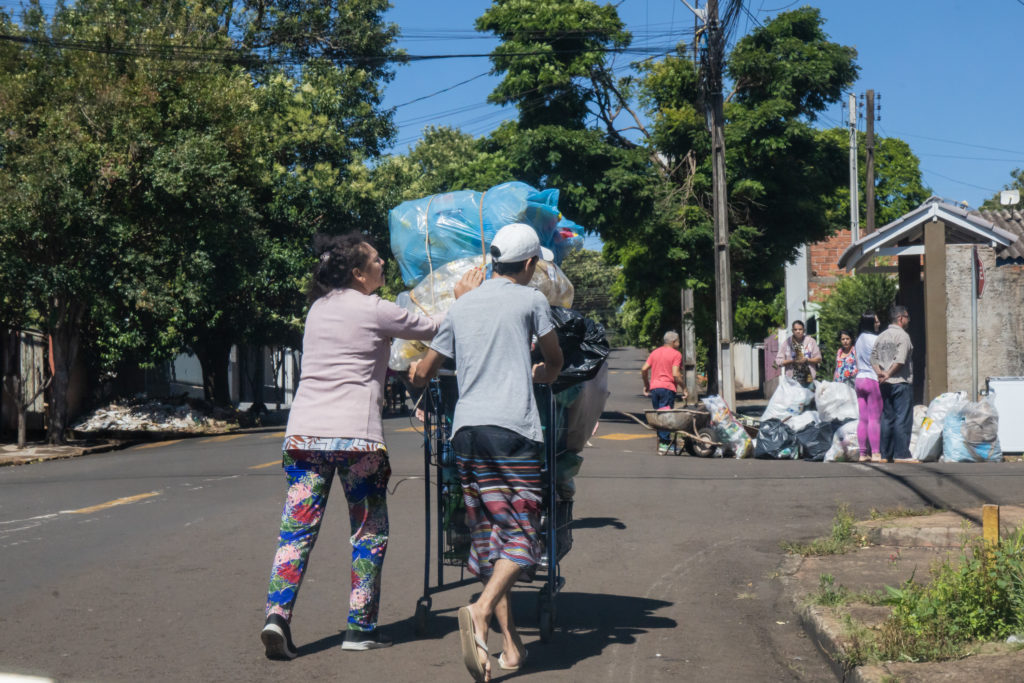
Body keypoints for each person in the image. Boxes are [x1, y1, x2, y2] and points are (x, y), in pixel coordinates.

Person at [260, 232, 482, 660]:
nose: (384, 265)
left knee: (297, 531)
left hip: (304, 437)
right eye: (377, 260)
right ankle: (359, 628)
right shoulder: (376, 309)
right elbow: (437, 329)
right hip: (356, 439)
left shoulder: (316, 310)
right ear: (359, 273)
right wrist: (461, 297)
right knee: (368, 532)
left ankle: (277, 616)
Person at [409, 223, 563, 682]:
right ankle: (478, 613)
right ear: (532, 265)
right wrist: (537, 371)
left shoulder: (461, 306)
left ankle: (511, 648)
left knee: (489, 538)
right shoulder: (533, 300)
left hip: (466, 434)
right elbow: (553, 361)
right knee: (522, 538)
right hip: (511, 430)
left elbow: (423, 372)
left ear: (493, 262)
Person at [871, 305, 914, 463]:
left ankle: (885, 454)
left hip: (884, 383)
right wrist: (888, 374)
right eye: (907, 317)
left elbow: (873, 358)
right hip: (900, 382)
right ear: (900, 318)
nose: (908, 320)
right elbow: (900, 360)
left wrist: (880, 373)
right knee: (902, 418)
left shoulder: (881, 336)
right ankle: (901, 454)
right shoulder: (903, 336)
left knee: (887, 417)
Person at [641, 331, 687, 454]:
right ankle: (665, 444)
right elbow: (676, 374)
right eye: (678, 340)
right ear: (673, 342)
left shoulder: (655, 353)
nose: (679, 343)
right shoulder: (676, 354)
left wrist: (647, 385)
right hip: (667, 388)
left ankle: (663, 443)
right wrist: (684, 388)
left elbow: (644, 369)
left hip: (655, 389)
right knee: (665, 417)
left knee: (659, 417)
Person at [854, 312, 882, 463]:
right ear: (870, 323)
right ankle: (876, 452)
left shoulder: (858, 340)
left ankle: (863, 453)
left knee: (863, 418)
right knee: (874, 418)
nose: (878, 323)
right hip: (872, 379)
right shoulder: (876, 339)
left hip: (859, 379)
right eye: (876, 321)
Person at [776, 320, 823, 386]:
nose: (798, 331)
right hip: (792, 380)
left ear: (804, 330)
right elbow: (778, 361)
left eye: (800, 329)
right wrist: (792, 361)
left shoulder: (811, 341)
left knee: (809, 395)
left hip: (809, 378)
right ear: (792, 331)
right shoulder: (787, 343)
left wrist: (807, 360)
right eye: (795, 329)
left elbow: (819, 359)